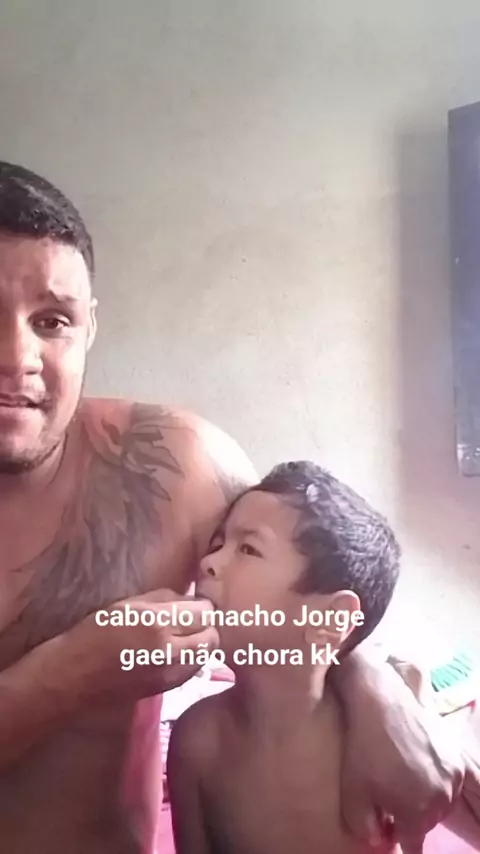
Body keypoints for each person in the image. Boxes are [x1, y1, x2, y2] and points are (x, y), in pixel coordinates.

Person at [0, 161, 462, 854]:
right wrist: (68, 673)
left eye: (52, 321)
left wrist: (376, 691)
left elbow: (310, 585)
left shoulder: (171, 467)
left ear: (89, 326)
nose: (17, 357)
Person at [167, 460, 405, 854]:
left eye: (248, 548)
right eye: (217, 543)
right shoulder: (199, 741)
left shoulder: (374, 746)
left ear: (330, 618)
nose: (209, 562)